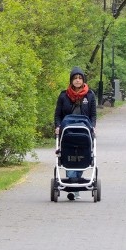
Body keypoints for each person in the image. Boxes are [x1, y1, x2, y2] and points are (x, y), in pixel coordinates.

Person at [54, 67, 97, 200]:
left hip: (84, 131)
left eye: (80, 78)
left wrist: (93, 127)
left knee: (82, 156)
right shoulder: (63, 95)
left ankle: (74, 186)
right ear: (71, 80)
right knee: (69, 155)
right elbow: (57, 114)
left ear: (83, 80)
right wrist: (57, 126)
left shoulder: (90, 95)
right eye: (75, 78)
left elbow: (93, 115)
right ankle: (74, 187)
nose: (77, 81)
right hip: (68, 131)